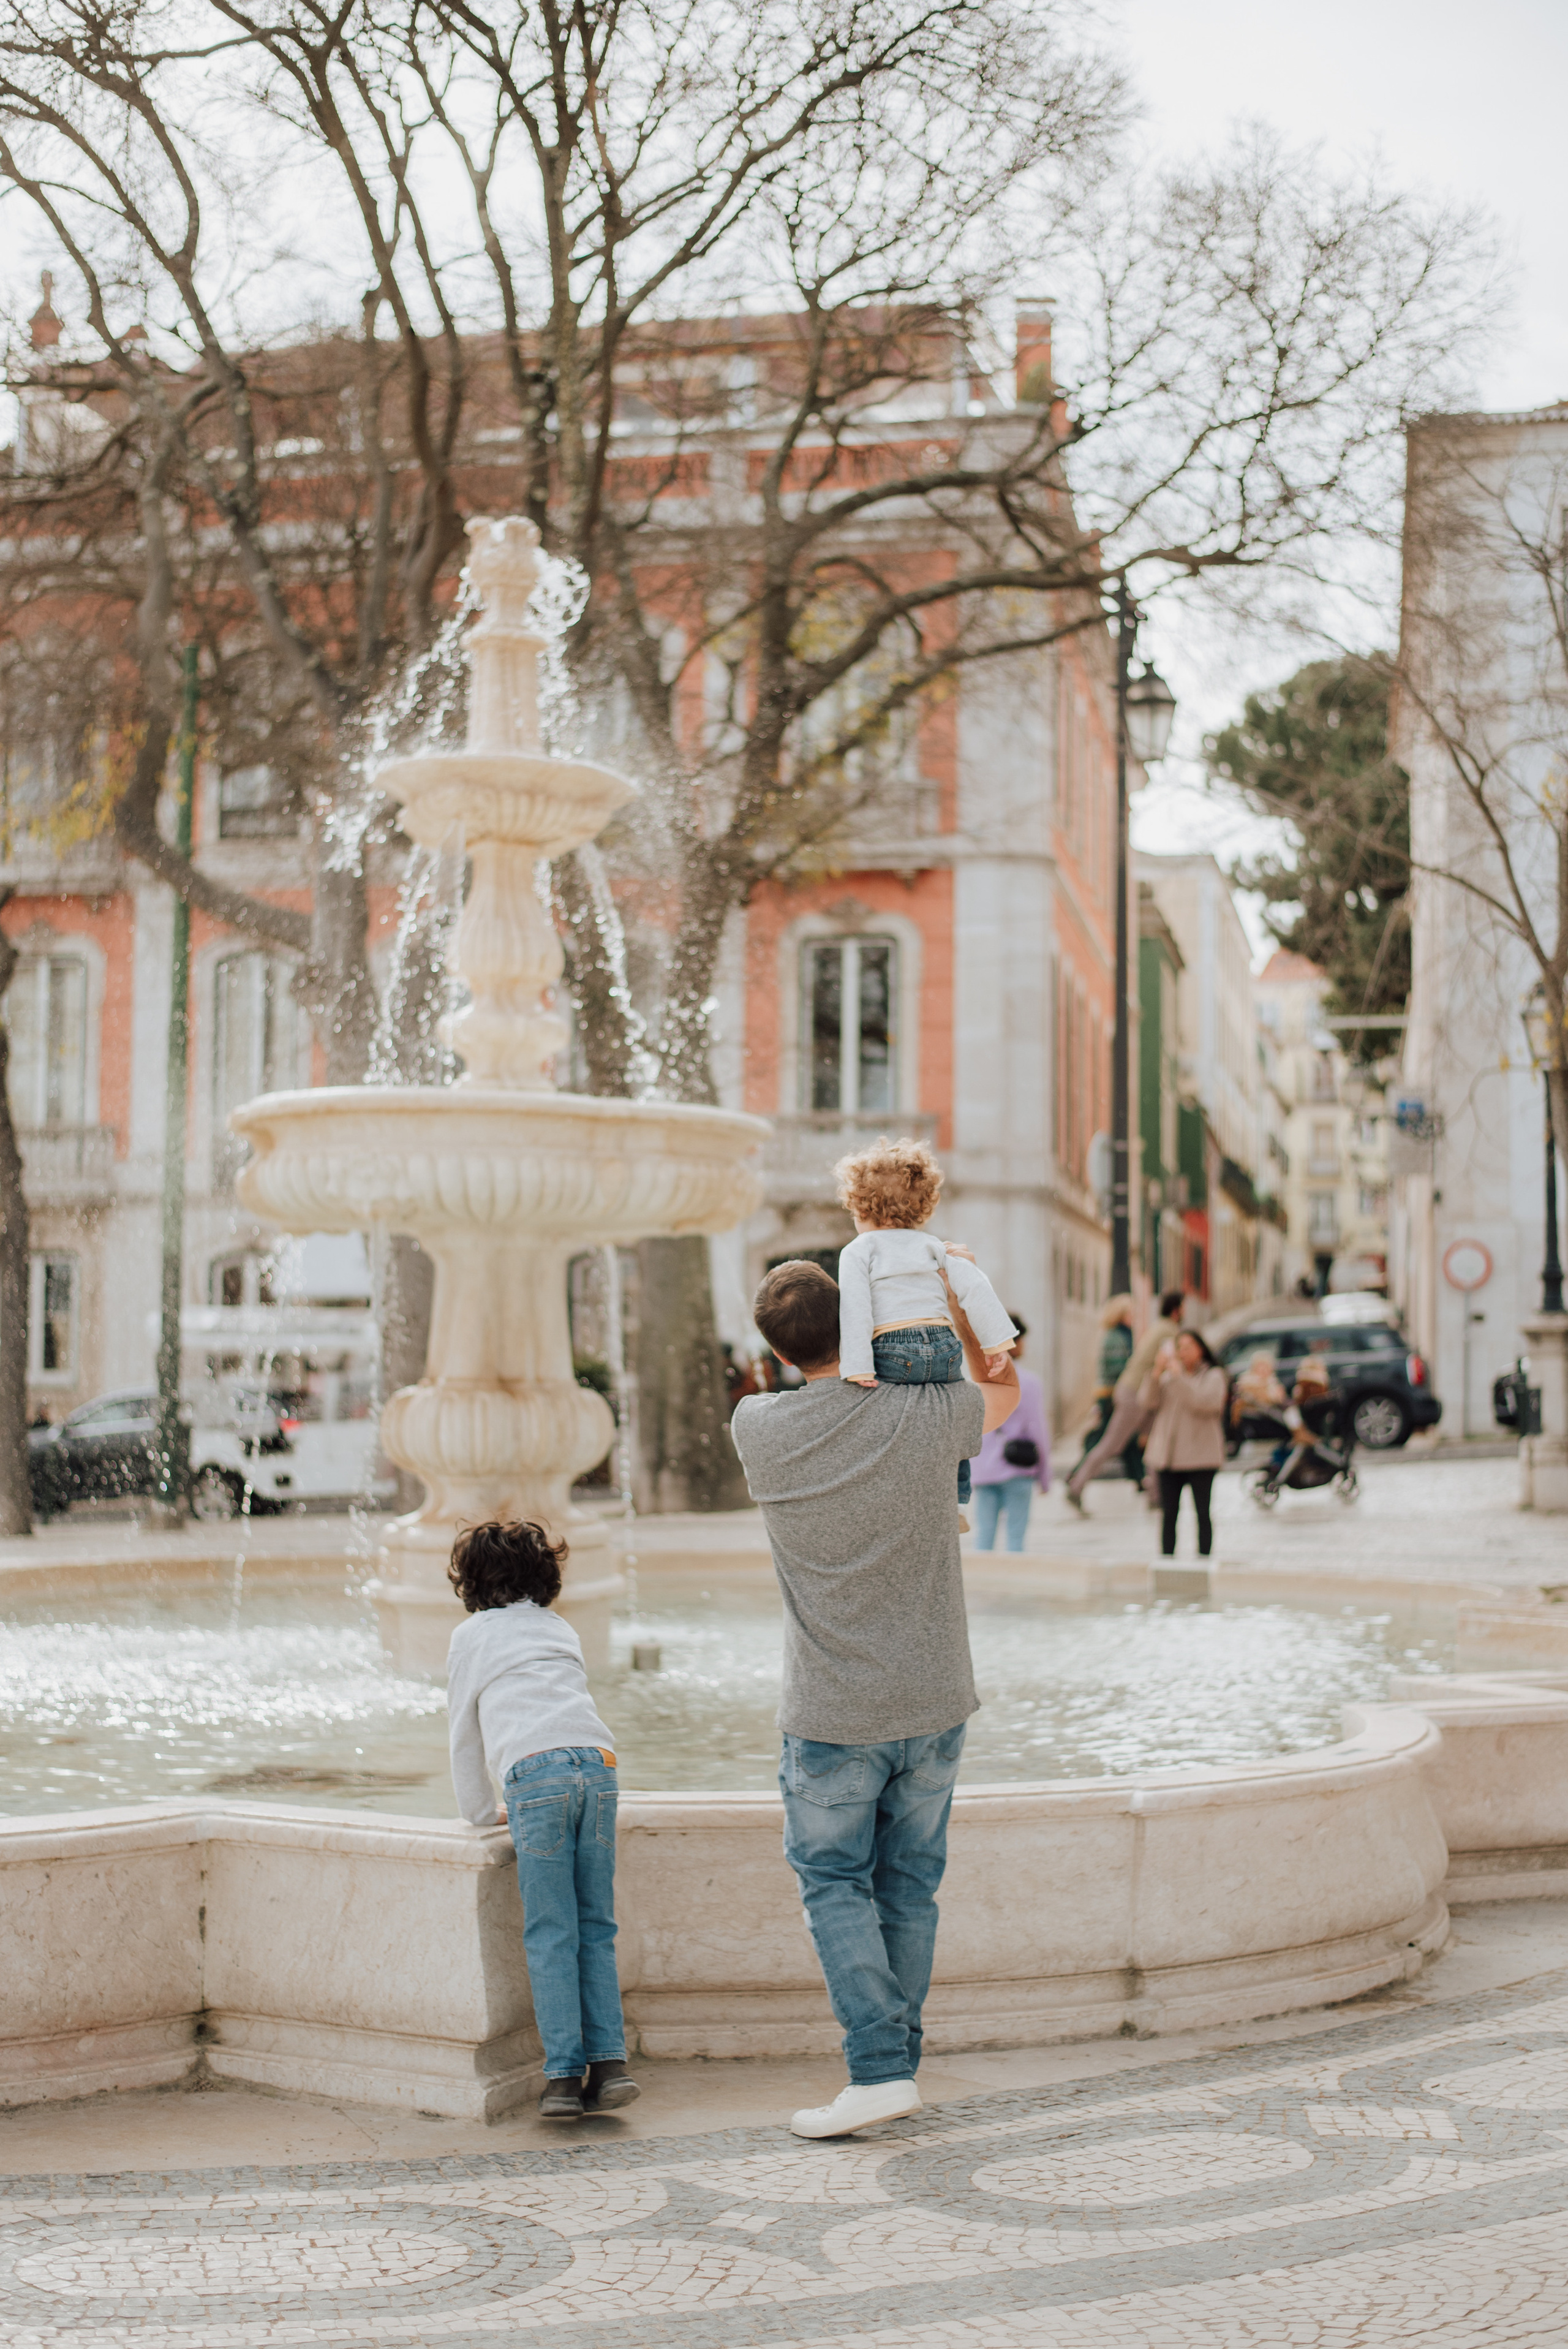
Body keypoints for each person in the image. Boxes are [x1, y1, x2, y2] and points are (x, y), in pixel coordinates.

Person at [729, 1256, 1020, 2140]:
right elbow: (1002, 1388)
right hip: (934, 1700)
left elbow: (781, 1389)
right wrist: (961, 1309)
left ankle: (881, 2068)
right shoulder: (927, 1414)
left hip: (832, 1711)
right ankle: (896, 2063)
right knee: (911, 1887)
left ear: (775, 1348)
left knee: (832, 1881)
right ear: (857, 1318)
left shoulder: (759, 1428)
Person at [446, 1519, 638, 2122]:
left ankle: (561, 2079)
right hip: (598, 1766)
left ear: (471, 1582)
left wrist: (480, 1812)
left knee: (551, 1932)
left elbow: (464, 1738)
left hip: (537, 1777)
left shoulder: (472, 1636)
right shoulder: (558, 1627)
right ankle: (611, 2068)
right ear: (544, 1577)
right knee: (595, 1927)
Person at [832, 1134, 1016, 1511]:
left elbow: (855, 1309)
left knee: (889, 1416)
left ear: (863, 1208)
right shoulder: (933, 1246)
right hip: (944, 1348)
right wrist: (997, 1345)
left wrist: (858, 1367)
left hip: (893, 1348)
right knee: (951, 1415)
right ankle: (956, 1495)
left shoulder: (858, 1251)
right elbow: (976, 1288)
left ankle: (887, 1489)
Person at [1065, 1290, 1187, 1514]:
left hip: (1138, 1392)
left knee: (1152, 1440)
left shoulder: (1158, 1328)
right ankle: (1076, 1486)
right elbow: (1169, 1361)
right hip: (1135, 1393)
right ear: (1177, 1310)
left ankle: (1156, 1495)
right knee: (1112, 1444)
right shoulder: (1168, 1331)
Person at [1141, 1330, 1229, 1559]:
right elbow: (1147, 1402)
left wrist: (1178, 1377)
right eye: (1179, 1347)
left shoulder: (1214, 1376)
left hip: (1201, 1456)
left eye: (1189, 1346)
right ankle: (1167, 1562)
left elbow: (1203, 1403)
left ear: (1201, 1349)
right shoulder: (1168, 1377)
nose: (1183, 1352)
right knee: (1169, 1513)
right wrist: (1157, 1372)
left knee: (1202, 1512)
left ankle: (1204, 1560)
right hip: (1169, 1456)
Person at [971, 1315, 1050, 1551]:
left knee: (984, 1539)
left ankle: (984, 1587)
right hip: (1018, 1469)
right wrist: (1045, 1477)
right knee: (1016, 1540)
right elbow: (1038, 1431)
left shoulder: (977, 1381)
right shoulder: (1029, 1382)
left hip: (984, 1471)